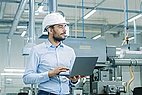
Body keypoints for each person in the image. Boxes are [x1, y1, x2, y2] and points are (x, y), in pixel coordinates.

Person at [23, 12, 80, 95]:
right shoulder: (37, 50)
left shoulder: (70, 51)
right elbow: (27, 78)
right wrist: (49, 74)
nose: (64, 30)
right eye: (60, 27)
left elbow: (72, 79)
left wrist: (74, 81)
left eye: (65, 26)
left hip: (66, 93)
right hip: (46, 93)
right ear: (50, 30)